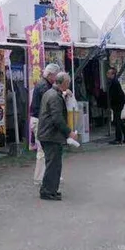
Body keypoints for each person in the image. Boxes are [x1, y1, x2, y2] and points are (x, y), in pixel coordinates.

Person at [37, 72, 78, 201]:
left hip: (47, 134)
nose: (69, 85)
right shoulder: (55, 96)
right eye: (68, 83)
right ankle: (48, 191)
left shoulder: (51, 93)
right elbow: (57, 118)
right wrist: (68, 132)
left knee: (53, 164)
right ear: (64, 83)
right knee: (53, 164)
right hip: (51, 135)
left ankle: (50, 190)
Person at [30, 63, 60, 184]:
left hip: (40, 120)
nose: (57, 79)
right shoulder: (44, 86)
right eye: (56, 76)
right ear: (50, 75)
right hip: (39, 120)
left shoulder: (45, 84)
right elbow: (50, 102)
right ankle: (39, 177)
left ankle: (48, 175)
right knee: (43, 150)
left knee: (46, 150)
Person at [106, 67, 125, 144]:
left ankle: (119, 138)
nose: (107, 75)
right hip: (117, 103)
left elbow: (116, 94)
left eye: (109, 73)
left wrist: (112, 103)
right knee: (118, 120)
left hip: (117, 103)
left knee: (117, 120)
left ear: (113, 74)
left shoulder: (114, 82)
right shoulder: (113, 81)